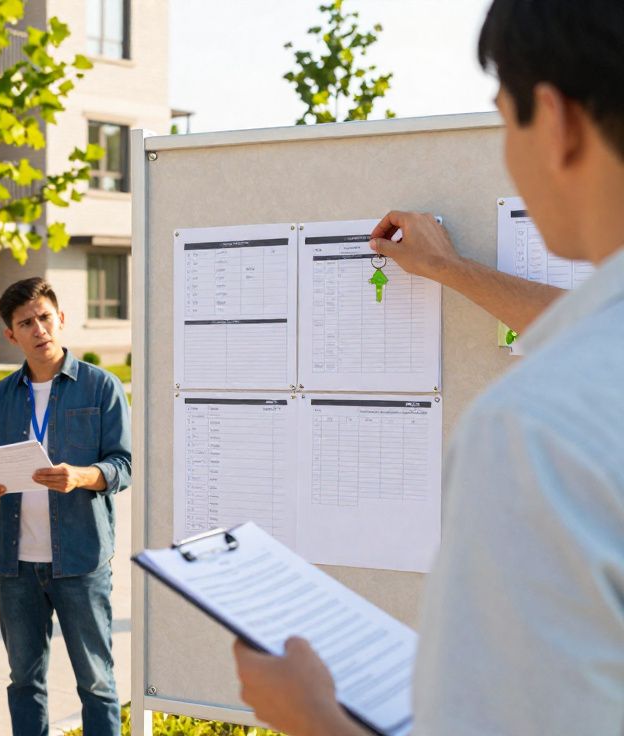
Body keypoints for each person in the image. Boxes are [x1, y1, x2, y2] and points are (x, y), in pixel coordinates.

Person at [233, 0, 624, 732]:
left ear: (558, 121)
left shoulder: (534, 432)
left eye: (504, 119)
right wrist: (451, 271)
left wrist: (315, 716)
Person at [0, 277, 132, 736]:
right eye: (26, 322)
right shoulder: (0, 397)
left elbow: (124, 465)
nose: (39, 328)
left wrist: (80, 476)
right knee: (24, 681)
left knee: (97, 682)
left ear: (60, 319)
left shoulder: (101, 387)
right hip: (17, 567)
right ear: (11, 335)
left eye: (45, 317)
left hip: (81, 562)